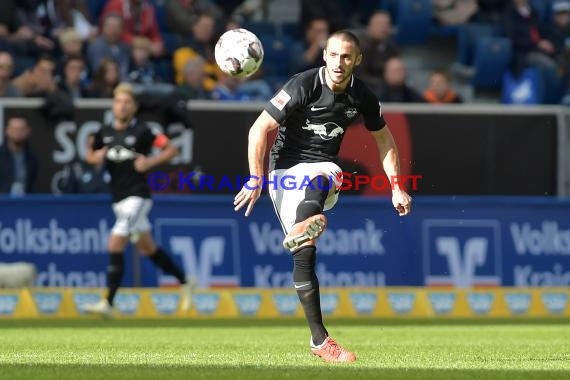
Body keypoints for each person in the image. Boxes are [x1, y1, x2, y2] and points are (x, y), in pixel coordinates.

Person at [233, 30, 412, 362]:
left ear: (357, 60)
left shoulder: (363, 96)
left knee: (323, 174)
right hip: (283, 173)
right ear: (324, 55)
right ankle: (319, 341)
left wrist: (397, 186)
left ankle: (307, 220)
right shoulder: (302, 85)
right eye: (333, 55)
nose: (339, 63)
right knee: (304, 255)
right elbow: (259, 129)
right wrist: (255, 178)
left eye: (347, 56)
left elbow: (384, 139)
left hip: (322, 168)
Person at [83, 83, 194, 317]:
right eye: (118, 102)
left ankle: (108, 303)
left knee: (115, 243)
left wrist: (150, 162)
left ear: (134, 107)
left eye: (127, 102)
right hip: (118, 198)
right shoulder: (104, 132)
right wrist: (97, 156)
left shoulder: (145, 131)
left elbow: (171, 149)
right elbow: (90, 155)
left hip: (138, 196)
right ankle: (186, 281)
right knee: (146, 247)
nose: (122, 106)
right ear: (113, 105)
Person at [0, 116, 38, 195]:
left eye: (21, 129)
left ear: (28, 130)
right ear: (7, 130)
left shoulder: (32, 158)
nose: (18, 132)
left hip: (26, 203)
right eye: (14, 129)